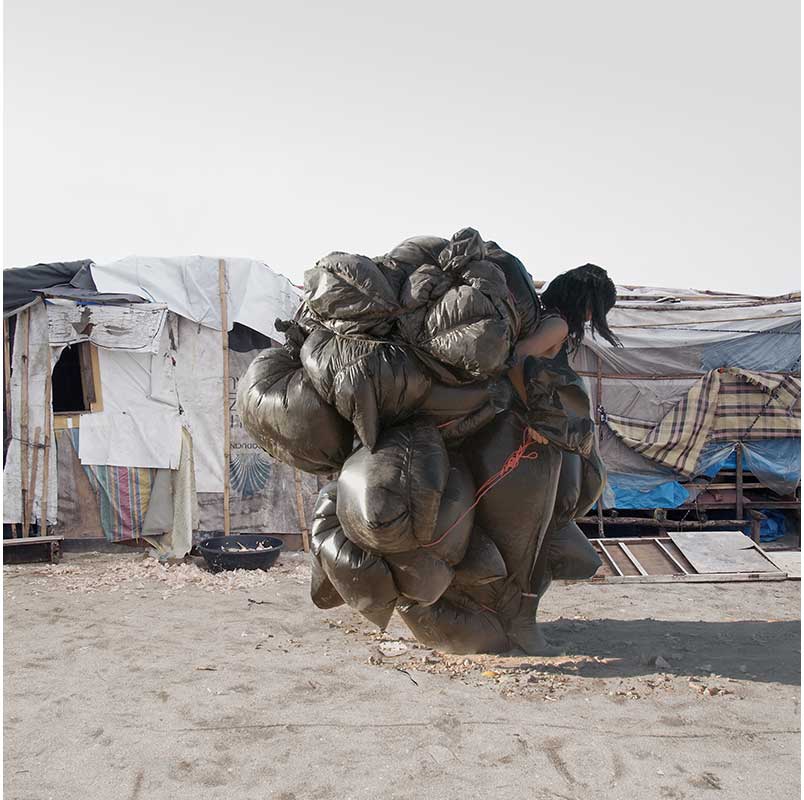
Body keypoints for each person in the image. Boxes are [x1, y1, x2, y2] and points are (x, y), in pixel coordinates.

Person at [503, 263, 621, 654]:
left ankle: (520, 617)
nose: (594, 316)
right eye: (594, 307)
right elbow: (518, 357)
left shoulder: (555, 323)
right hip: (542, 440)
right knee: (545, 529)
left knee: (555, 520)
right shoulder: (554, 326)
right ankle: (521, 620)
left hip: (559, 438)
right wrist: (533, 415)